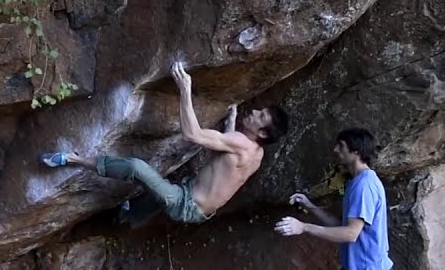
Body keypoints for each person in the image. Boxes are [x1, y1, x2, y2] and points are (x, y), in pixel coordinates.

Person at [40, 61, 289, 225]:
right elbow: (229, 153)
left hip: (185, 203)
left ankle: (73, 159)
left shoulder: (240, 143)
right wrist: (232, 120)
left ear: (263, 134)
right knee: (160, 191)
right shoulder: (256, 154)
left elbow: (193, 135)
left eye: (261, 116)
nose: (255, 112)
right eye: (260, 110)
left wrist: (185, 89)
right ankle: (127, 217)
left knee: (138, 169)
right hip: (200, 210)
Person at [274, 128, 398, 270]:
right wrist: (310, 206)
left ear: (356, 151)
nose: (335, 150)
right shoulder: (355, 182)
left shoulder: (365, 186)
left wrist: (303, 227)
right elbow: (342, 224)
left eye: (340, 146)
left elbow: (350, 234)